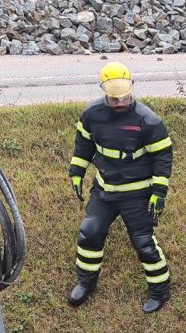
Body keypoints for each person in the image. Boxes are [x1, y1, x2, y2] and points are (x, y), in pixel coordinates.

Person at [67, 61, 173, 312]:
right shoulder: (92, 114)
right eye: (114, 100)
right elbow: (84, 144)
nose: (120, 103)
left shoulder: (147, 120)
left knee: (143, 244)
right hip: (105, 191)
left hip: (137, 194)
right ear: (105, 92)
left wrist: (159, 191)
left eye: (124, 98)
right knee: (89, 233)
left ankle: (160, 290)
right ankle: (86, 281)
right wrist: (77, 171)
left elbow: (163, 156)